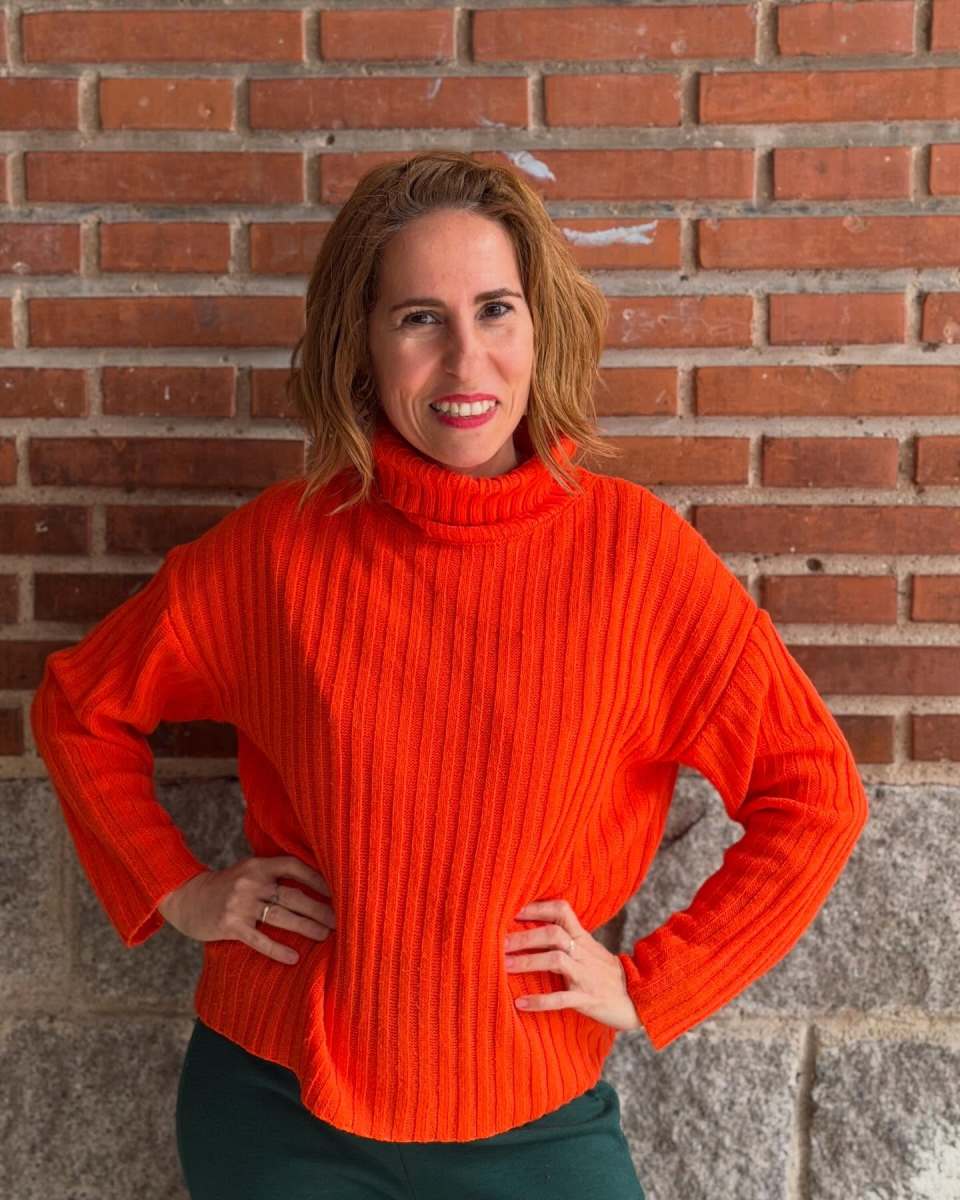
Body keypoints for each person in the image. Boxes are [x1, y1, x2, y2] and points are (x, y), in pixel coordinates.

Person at [30, 150, 869, 1199]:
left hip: (535, 1116)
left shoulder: (639, 562)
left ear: (540, 326)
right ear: (365, 343)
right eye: (420, 319)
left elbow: (814, 794)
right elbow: (80, 707)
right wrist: (181, 888)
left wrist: (654, 982)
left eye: (495, 311)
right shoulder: (278, 552)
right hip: (278, 1106)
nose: (467, 361)